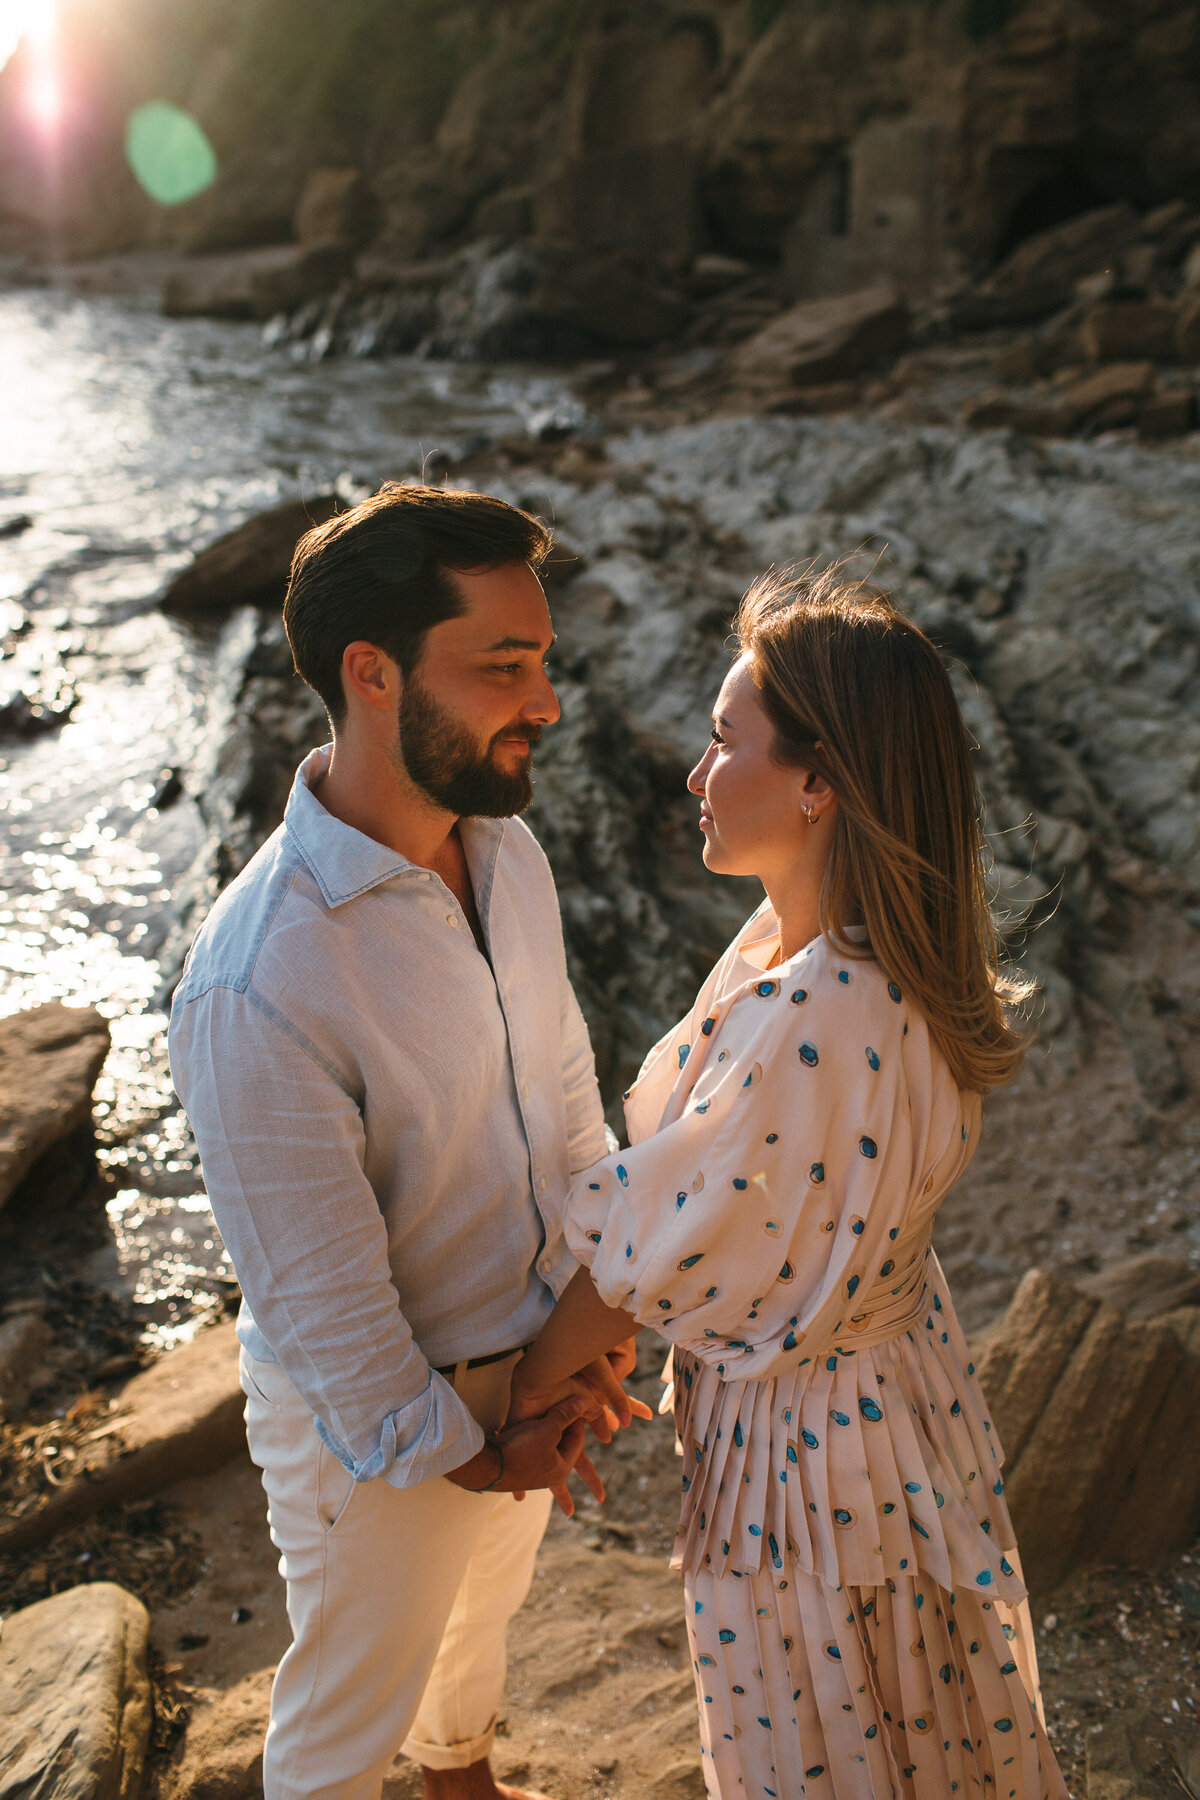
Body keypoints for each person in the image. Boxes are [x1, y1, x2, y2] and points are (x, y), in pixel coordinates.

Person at [510, 568, 1069, 1800]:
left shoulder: (806, 1012)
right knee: (918, 1715)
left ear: (821, 784)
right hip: (899, 1398)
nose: (698, 776)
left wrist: (521, 1401)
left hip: (812, 1454)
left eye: (724, 742)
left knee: (820, 1741)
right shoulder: (886, 963)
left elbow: (649, 1258)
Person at [168, 482, 643, 1800]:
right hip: (376, 1435)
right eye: (504, 666)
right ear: (371, 674)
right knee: (339, 1728)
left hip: (532, 1367)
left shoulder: (509, 854)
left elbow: (563, 1106)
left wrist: (584, 1334)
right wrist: (478, 1453)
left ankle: (463, 1780)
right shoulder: (260, 981)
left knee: (481, 1622)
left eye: (541, 660)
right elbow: (329, 1311)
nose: (544, 701)